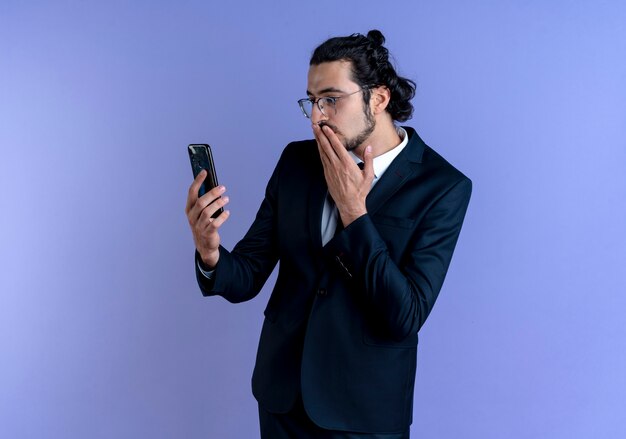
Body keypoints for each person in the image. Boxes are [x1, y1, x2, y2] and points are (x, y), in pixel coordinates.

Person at [185, 30, 472, 438]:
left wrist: (355, 213)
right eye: (312, 101)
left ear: (379, 98)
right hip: (282, 397)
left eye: (332, 100)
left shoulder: (442, 186)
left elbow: (405, 315)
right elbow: (247, 274)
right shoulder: (297, 161)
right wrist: (210, 252)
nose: (317, 116)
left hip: (363, 411)